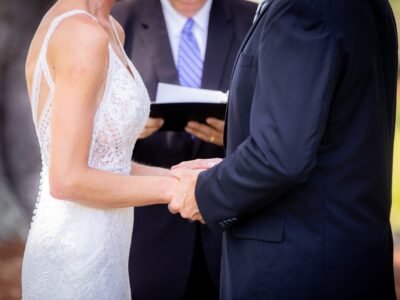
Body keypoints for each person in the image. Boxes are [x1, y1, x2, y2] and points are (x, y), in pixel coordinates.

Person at [169, 0, 399, 299]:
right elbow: (325, 136)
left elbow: (278, 156)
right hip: (348, 255)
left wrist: (203, 192)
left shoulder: (301, 8)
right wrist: (226, 167)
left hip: (296, 269)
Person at [22, 0, 178, 298]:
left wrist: (180, 177)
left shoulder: (111, 30)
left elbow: (109, 161)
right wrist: (173, 192)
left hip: (109, 252)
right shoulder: (80, 33)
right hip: (74, 257)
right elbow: (67, 179)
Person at [112, 0, 256, 299]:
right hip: (146, 237)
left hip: (231, 233)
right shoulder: (118, 19)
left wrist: (236, 134)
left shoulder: (253, 19)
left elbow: (280, 121)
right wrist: (125, 131)